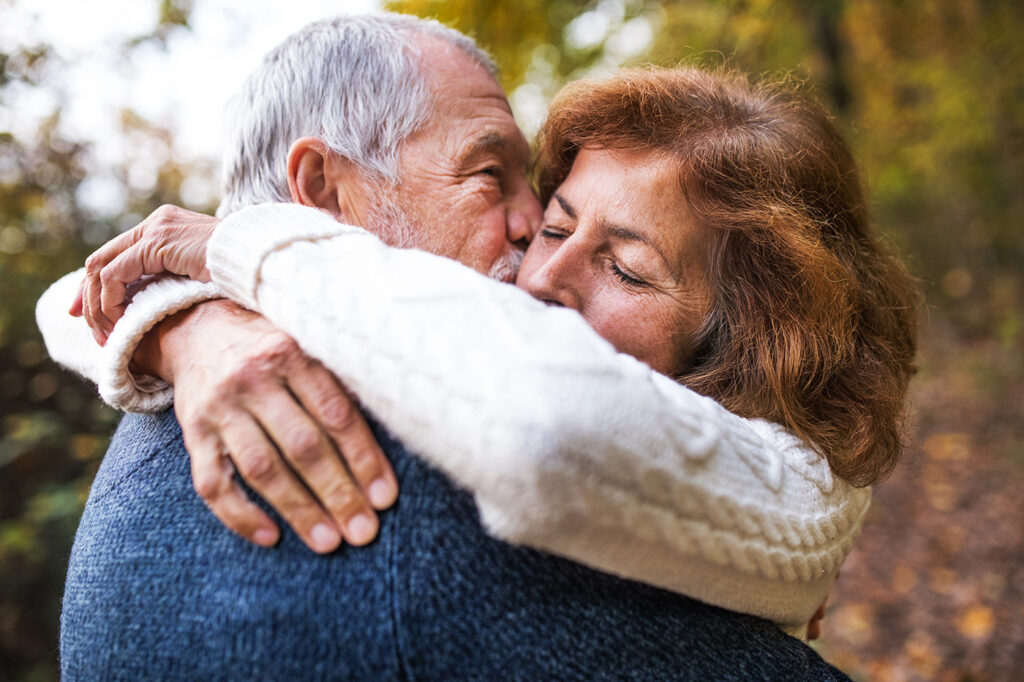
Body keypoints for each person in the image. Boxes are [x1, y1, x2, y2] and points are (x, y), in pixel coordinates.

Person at [36, 14, 916, 680]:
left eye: (627, 268)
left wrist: (186, 317)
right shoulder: (418, 476)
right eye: (492, 176)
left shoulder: (167, 404)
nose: (534, 255)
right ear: (321, 194)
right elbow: (543, 422)